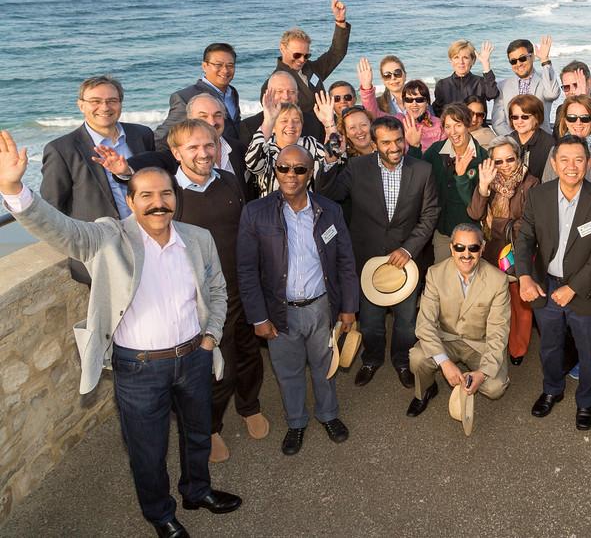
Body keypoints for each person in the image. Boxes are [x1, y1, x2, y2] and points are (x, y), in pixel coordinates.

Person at [1, 133, 240, 538]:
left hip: (194, 356)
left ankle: (197, 491)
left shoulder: (197, 240)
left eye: (165, 193)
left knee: (198, 433)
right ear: (130, 202)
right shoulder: (108, 236)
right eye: (145, 195)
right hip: (140, 368)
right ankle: (160, 513)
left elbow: (217, 290)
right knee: (147, 451)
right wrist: (14, 190)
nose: (158, 202)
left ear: (175, 197)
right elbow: (63, 232)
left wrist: (210, 338)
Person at [95, 119, 266, 464]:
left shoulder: (230, 180)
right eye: (193, 147)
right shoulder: (173, 193)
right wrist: (125, 174)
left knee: (251, 355)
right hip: (206, 297)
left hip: (243, 286)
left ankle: (250, 406)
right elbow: (146, 208)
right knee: (219, 366)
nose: (203, 153)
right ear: (175, 153)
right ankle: (213, 426)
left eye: (209, 145)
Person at [236, 144, 359, 457]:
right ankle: (296, 422)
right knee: (287, 371)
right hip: (280, 311)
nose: (291, 175)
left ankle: (328, 415)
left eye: (299, 169)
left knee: (325, 366)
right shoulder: (255, 213)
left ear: (310, 172)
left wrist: (348, 308)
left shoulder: (330, 210)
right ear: (275, 171)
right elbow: (247, 271)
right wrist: (258, 318)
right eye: (283, 168)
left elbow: (345, 261)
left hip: (322, 306)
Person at [316, 116, 440, 389]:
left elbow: (430, 215)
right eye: (386, 142)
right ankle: (371, 359)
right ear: (374, 144)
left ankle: (402, 361)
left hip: (406, 263)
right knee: (371, 322)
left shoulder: (422, 170)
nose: (394, 147)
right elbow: (328, 195)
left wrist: (409, 249)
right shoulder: (357, 167)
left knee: (406, 324)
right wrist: (328, 163)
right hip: (368, 262)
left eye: (398, 140)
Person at [515, 135, 591, 430]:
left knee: (587, 351)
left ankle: (586, 402)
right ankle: (552, 389)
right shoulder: (538, 195)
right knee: (550, 345)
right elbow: (525, 238)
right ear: (554, 163)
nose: (572, 166)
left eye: (579, 159)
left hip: (584, 290)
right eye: (565, 159)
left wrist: (573, 288)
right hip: (545, 285)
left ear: (589, 163)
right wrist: (524, 276)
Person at [40, 75, 155, 283]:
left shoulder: (142, 134)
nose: (104, 107)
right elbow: (52, 208)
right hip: (102, 251)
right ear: (81, 105)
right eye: (95, 101)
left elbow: (156, 180)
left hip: (151, 240)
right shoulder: (61, 149)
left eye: (112, 100)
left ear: (120, 103)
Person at [406, 223, 512, 417]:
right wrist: (444, 363)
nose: (466, 254)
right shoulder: (435, 274)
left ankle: (474, 379)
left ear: (482, 248)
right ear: (451, 248)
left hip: (479, 344)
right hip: (446, 339)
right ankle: (426, 391)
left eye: (473, 248)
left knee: (495, 387)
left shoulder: (498, 280)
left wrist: (482, 373)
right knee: (417, 357)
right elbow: (425, 323)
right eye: (459, 247)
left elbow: (499, 332)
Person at [466, 136, 540, 366]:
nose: (506, 165)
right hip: (490, 250)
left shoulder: (531, 183)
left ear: (519, 158)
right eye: (498, 161)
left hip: (517, 249)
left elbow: (528, 223)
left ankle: (517, 348)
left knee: (520, 304)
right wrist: (483, 186)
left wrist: (499, 223)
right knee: (495, 301)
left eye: (510, 159)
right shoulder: (488, 180)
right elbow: (475, 214)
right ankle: (495, 341)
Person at [410, 103, 488, 263]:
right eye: (447, 126)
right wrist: (414, 147)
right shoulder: (436, 150)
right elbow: (416, 176)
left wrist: (462, 177)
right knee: (443, 278)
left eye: (458, 125)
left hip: (470, 233)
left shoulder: (482, 158)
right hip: (443, 231)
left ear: (468, 124)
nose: (453, 132)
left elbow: (476, 207)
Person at [268, 0, 351, 135]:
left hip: (329, 132)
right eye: (297, 55)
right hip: (305, 140)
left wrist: (340, 21)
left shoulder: (311, 69)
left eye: (306, 55)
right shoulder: (275, 83)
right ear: (282, 48)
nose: (302, 60)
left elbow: (336, 53)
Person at [120, 94, 247, 180]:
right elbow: (156, 159)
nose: (212, 122)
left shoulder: (238, 148)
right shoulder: (181, 153)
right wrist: (127, 169)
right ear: (189, 119)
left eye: (217, 115)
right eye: (203, 116)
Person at [155, 43, 242, 148]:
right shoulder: (185, 97)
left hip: (230, 158)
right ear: (204, 66)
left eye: (230, 65)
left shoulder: (231, 92)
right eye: (218, 65)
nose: (225, 70)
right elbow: (162, 139)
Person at [245, 100, 335, 198]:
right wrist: (267, 122)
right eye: (284, 121)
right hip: (271, 210)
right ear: (273, 127)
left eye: (296, 121)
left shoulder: (311, 144)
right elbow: (252, 164)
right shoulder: (266, 148)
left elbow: (334, 156)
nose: (291, 126)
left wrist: (329, 123)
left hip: (308, 210)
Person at [358, 58, 445, 151]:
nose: (393, 78)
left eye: (397, 73)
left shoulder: (437, 123)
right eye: (387, 75)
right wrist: (366, 86)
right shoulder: (398, 120)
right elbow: (372, 114)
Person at [491, 37, 560, 136]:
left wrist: (545, 60)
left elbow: (552, 94)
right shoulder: (502, 86)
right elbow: (498, 122)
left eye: (522, 58)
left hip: (541, 142)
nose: (519, 64)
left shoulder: (544, 80)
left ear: (532, 57)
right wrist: (515, 140)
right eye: (513, 61)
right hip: (513, 143)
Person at [542, 95, 591, 188]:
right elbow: (545, 187)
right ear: (565, 121)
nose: (578, 123)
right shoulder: (554, 151)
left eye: (585, 118)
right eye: (572, 118)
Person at [239, 71, 321, 150]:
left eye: (291, 92)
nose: (286, 97)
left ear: (297, 95)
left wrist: (329, 123)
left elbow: (328, 158)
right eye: (279, 91)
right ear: (267, 94)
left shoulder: (313, 123)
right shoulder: (249, 126)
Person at [432, 39, 499, 116]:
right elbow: (437, 111)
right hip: (453, 126)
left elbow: (492, 94)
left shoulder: (480, 82)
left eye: (465, 58)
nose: (461, 62)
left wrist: (485, 64)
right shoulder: (442, 85)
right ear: (451, 60)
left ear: (473, 61)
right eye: (456, 57)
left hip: (477, 126)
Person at [507, 94, 556, 181]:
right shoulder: (506, 142)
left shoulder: (550, 144)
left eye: (525, 117)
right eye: (515, 117)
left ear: (537, 118)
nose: (519, 121)